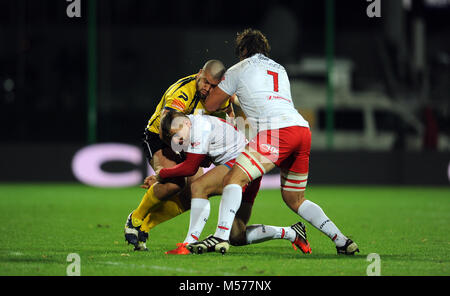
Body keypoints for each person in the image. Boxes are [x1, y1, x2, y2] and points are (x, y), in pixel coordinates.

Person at [188, 28, 359, 255]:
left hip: (277, 132)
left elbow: (210, 105)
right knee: (294, 198)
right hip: (301, 130)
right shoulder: (280, 68)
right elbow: (262, 97)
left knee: (233, 178)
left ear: (244, 50)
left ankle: (220, 237)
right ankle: (342, 241)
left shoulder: (239, 69)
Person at [158, 110, 311, 255]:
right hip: (251, 167)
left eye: (176, 134)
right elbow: (200, 161)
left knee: (199, 187)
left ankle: (188, 244)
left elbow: (190, 168)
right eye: (173, 137)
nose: (177, 140)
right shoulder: (194, 126)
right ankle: (291, 232)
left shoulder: (199, 127)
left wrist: (162, 174)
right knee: (237, 235)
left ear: (186, 123)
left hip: (241, 164)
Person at [124, 60, 234, 251]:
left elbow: (229, 108)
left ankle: (146, 225)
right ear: (199, 73)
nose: (208, 89)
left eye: (213, 86)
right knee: (173, 183)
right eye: (205, 82)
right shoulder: (182, 92)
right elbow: (165, 130)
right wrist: (167, 171)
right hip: (160, 139)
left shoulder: (218, 96)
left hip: (189, 144)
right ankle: (135, 218)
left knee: (197, 192)